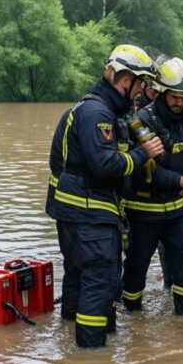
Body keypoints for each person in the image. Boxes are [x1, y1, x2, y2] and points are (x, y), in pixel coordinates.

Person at [45, 44, 164, 348]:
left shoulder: (90, 108)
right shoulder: (97, 113)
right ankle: (92, 357)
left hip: (73, 213)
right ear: (125, 81)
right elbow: (105, 165)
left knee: (77, 276)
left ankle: (68, 345)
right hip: (90, 216)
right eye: (140, 84)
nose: (140, 92)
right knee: (100, 281)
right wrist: (143, 153)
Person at [121, 58, 183, 315]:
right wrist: (180, 181)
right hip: (143, 211)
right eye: (175, 97)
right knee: (135, 271)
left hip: (178, 210)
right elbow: (143, 170)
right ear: (161, 92)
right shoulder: (142, 122)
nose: (180, 102)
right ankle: (133, 321)